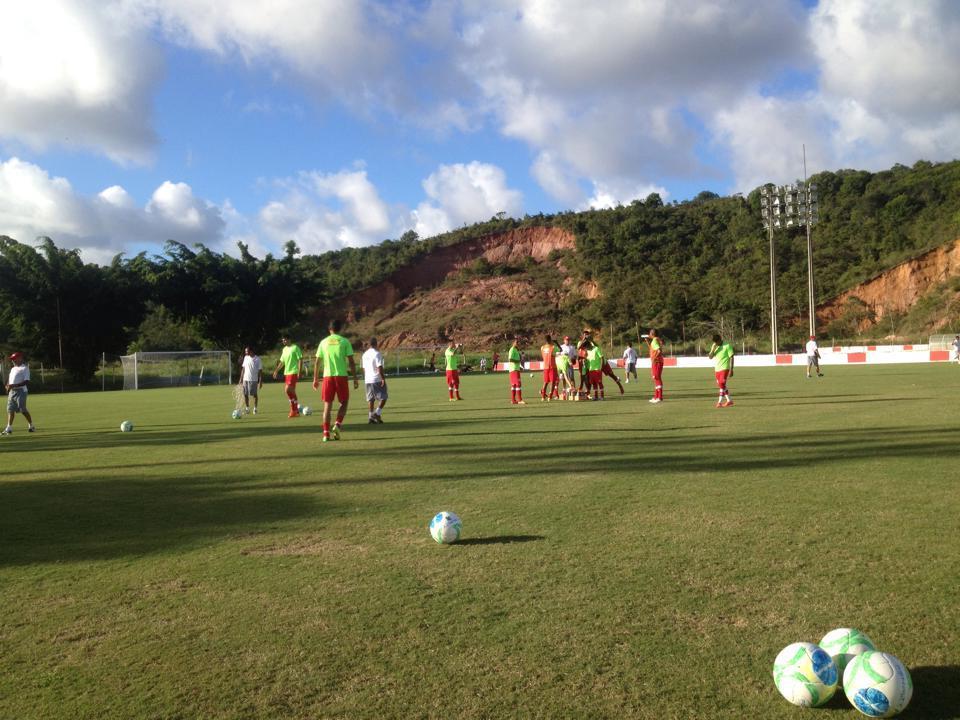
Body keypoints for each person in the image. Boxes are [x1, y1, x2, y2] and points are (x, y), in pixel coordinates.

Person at [312, 319, 359, 442]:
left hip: (327, 377)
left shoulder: (323, 342)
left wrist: (315, 378)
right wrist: (355, 378)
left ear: (329, 329)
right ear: (340, 329)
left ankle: (326, 434)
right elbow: (351, 362)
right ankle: (337, 424)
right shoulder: (344, 341)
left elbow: (317, 362)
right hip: (341, 376)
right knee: (344, 402)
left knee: (327, 405)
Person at [3, 352, 36, 435]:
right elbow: (10, 379)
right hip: (12, 391)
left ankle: (31, 425)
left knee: (22, 409)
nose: (13, 360)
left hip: (21, 391)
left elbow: (26, 381)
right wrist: (7, 385)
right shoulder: (13, 369)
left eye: (14, 359)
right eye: (12, 359)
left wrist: (14, 385)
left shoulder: (24, 368)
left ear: (20, 358)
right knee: (10, 410)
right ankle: (9, 428)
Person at [272, 336, 303, 418]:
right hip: (287, 373)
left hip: (293, 372)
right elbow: (282, 362)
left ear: (289, 339)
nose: (284, 341)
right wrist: (276, 370)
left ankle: (293, 410)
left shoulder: (295, 348)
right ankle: (295, 410)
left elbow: (300, 359)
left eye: (285, 340)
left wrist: (300, 371)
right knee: (291, 391)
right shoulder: (284, 349)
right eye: (283, 340)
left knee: (287, 389)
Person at [362, 337, 387, 424]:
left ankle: (370, 417)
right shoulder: (377, 353)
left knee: (371, 399)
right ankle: (377, 413)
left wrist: (366, 377)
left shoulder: (365, 355)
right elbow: (379, 367)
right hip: (376, 379)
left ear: (369, 344)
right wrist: (382, 378)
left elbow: (364, 368)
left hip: (368, 379)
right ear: (376, 344)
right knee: (383, 397)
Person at [708, 333, 735, 407]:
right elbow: (710, 357)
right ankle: (729, 401)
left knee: (722, 384)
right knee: (722, 385)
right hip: (717, 369)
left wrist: (731, 369)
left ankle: (719, 402)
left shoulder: (727, 345)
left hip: (724, 368)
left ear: (720, 339)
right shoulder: (715, 346)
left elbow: (732, 357)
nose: (716, 343)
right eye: (715, 342)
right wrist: (713, 349)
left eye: (717, 342)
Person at [238, 346, 263, 414]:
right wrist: (241, 378)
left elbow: (260, 371)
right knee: (245, 394)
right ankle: (247, 408)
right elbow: (243, 369)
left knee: (254, 395)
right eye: (245, 351)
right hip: (245, 379)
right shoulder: (246, 358)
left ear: (251, 351)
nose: (246, 352)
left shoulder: (257, 359)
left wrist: (260, 381)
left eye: (247, 351)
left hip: (253, 380)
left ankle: (255, 408)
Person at [644, 330, 665, 403]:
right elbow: (653, 349)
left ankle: (659, 397)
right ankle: (656, 397)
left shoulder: (654, 340)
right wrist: (647, 342)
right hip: (657, 361)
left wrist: (654, 358)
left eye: (649, 333)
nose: (648, 334)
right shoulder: (655, 340)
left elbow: (658, 350)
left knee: (656, 378)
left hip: (656, 362)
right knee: (656, 378)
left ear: (652, 334)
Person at [539, 334, 561, 401]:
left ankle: (543, 397)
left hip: (545, 367)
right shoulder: (553, 347)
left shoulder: (542, 347)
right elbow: (560, 350)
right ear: (550, 339)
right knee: (553, 382)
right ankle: (550, 396)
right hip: (552, 367)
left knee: (545, 382)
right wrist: (556, 342)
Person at [506, 337, 525, 404]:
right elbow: (510, 359)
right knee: (518, 384)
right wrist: (518, 361)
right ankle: (519, 400)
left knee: (514, 385)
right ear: (513, 343)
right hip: (514, 370)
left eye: (518, 342)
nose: (518, 343)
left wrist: (519, 367)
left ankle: (513, 400)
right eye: (516, 342)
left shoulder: (516, 350)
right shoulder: (512, 350)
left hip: (515, 369)